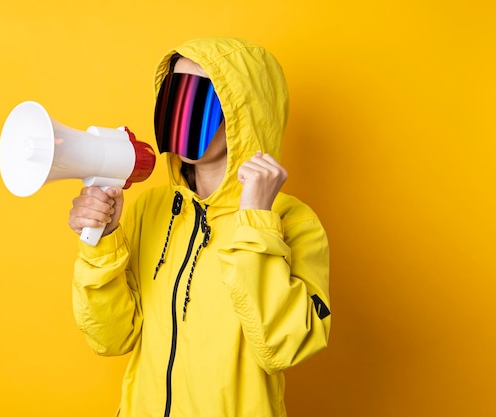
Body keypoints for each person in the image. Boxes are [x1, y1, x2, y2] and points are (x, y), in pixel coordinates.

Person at [68, 37, 331, 417]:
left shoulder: (293, 222)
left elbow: (283, 349)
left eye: (201, 98)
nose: (184, 112)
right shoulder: (153, 207)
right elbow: (111, 338)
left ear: (245, 112)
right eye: (175, 95)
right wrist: (102, 241)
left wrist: (257, 222)